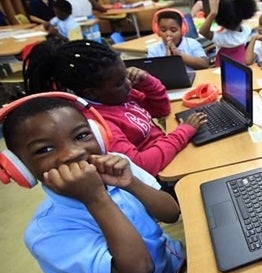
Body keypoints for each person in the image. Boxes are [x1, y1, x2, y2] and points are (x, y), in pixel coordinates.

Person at [0, 96, 185, 273]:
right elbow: (139, 269)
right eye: (44, 150)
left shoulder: (117, 166)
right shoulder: (45, 233)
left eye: (82, 136)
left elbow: (171, 213)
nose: (73, 153)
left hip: (175, 266)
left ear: (99, 135)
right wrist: (95, 198)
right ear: (20, 168)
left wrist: (130, 182)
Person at [23, 40, 207, 177]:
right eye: (120, 82)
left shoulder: (118, 96)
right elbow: (141, 166)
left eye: (126, 76)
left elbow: (161, 109)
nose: (128, 84)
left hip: (167, 153)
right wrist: (183, 133)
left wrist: (147, 81)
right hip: (158, 176)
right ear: (92, 93)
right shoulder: (99, 125)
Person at [198, 0, 257, 66]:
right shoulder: (246, 31)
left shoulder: (221, 37)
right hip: (242, 67)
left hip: (221, 70)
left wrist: (213, 13)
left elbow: (203, 31)